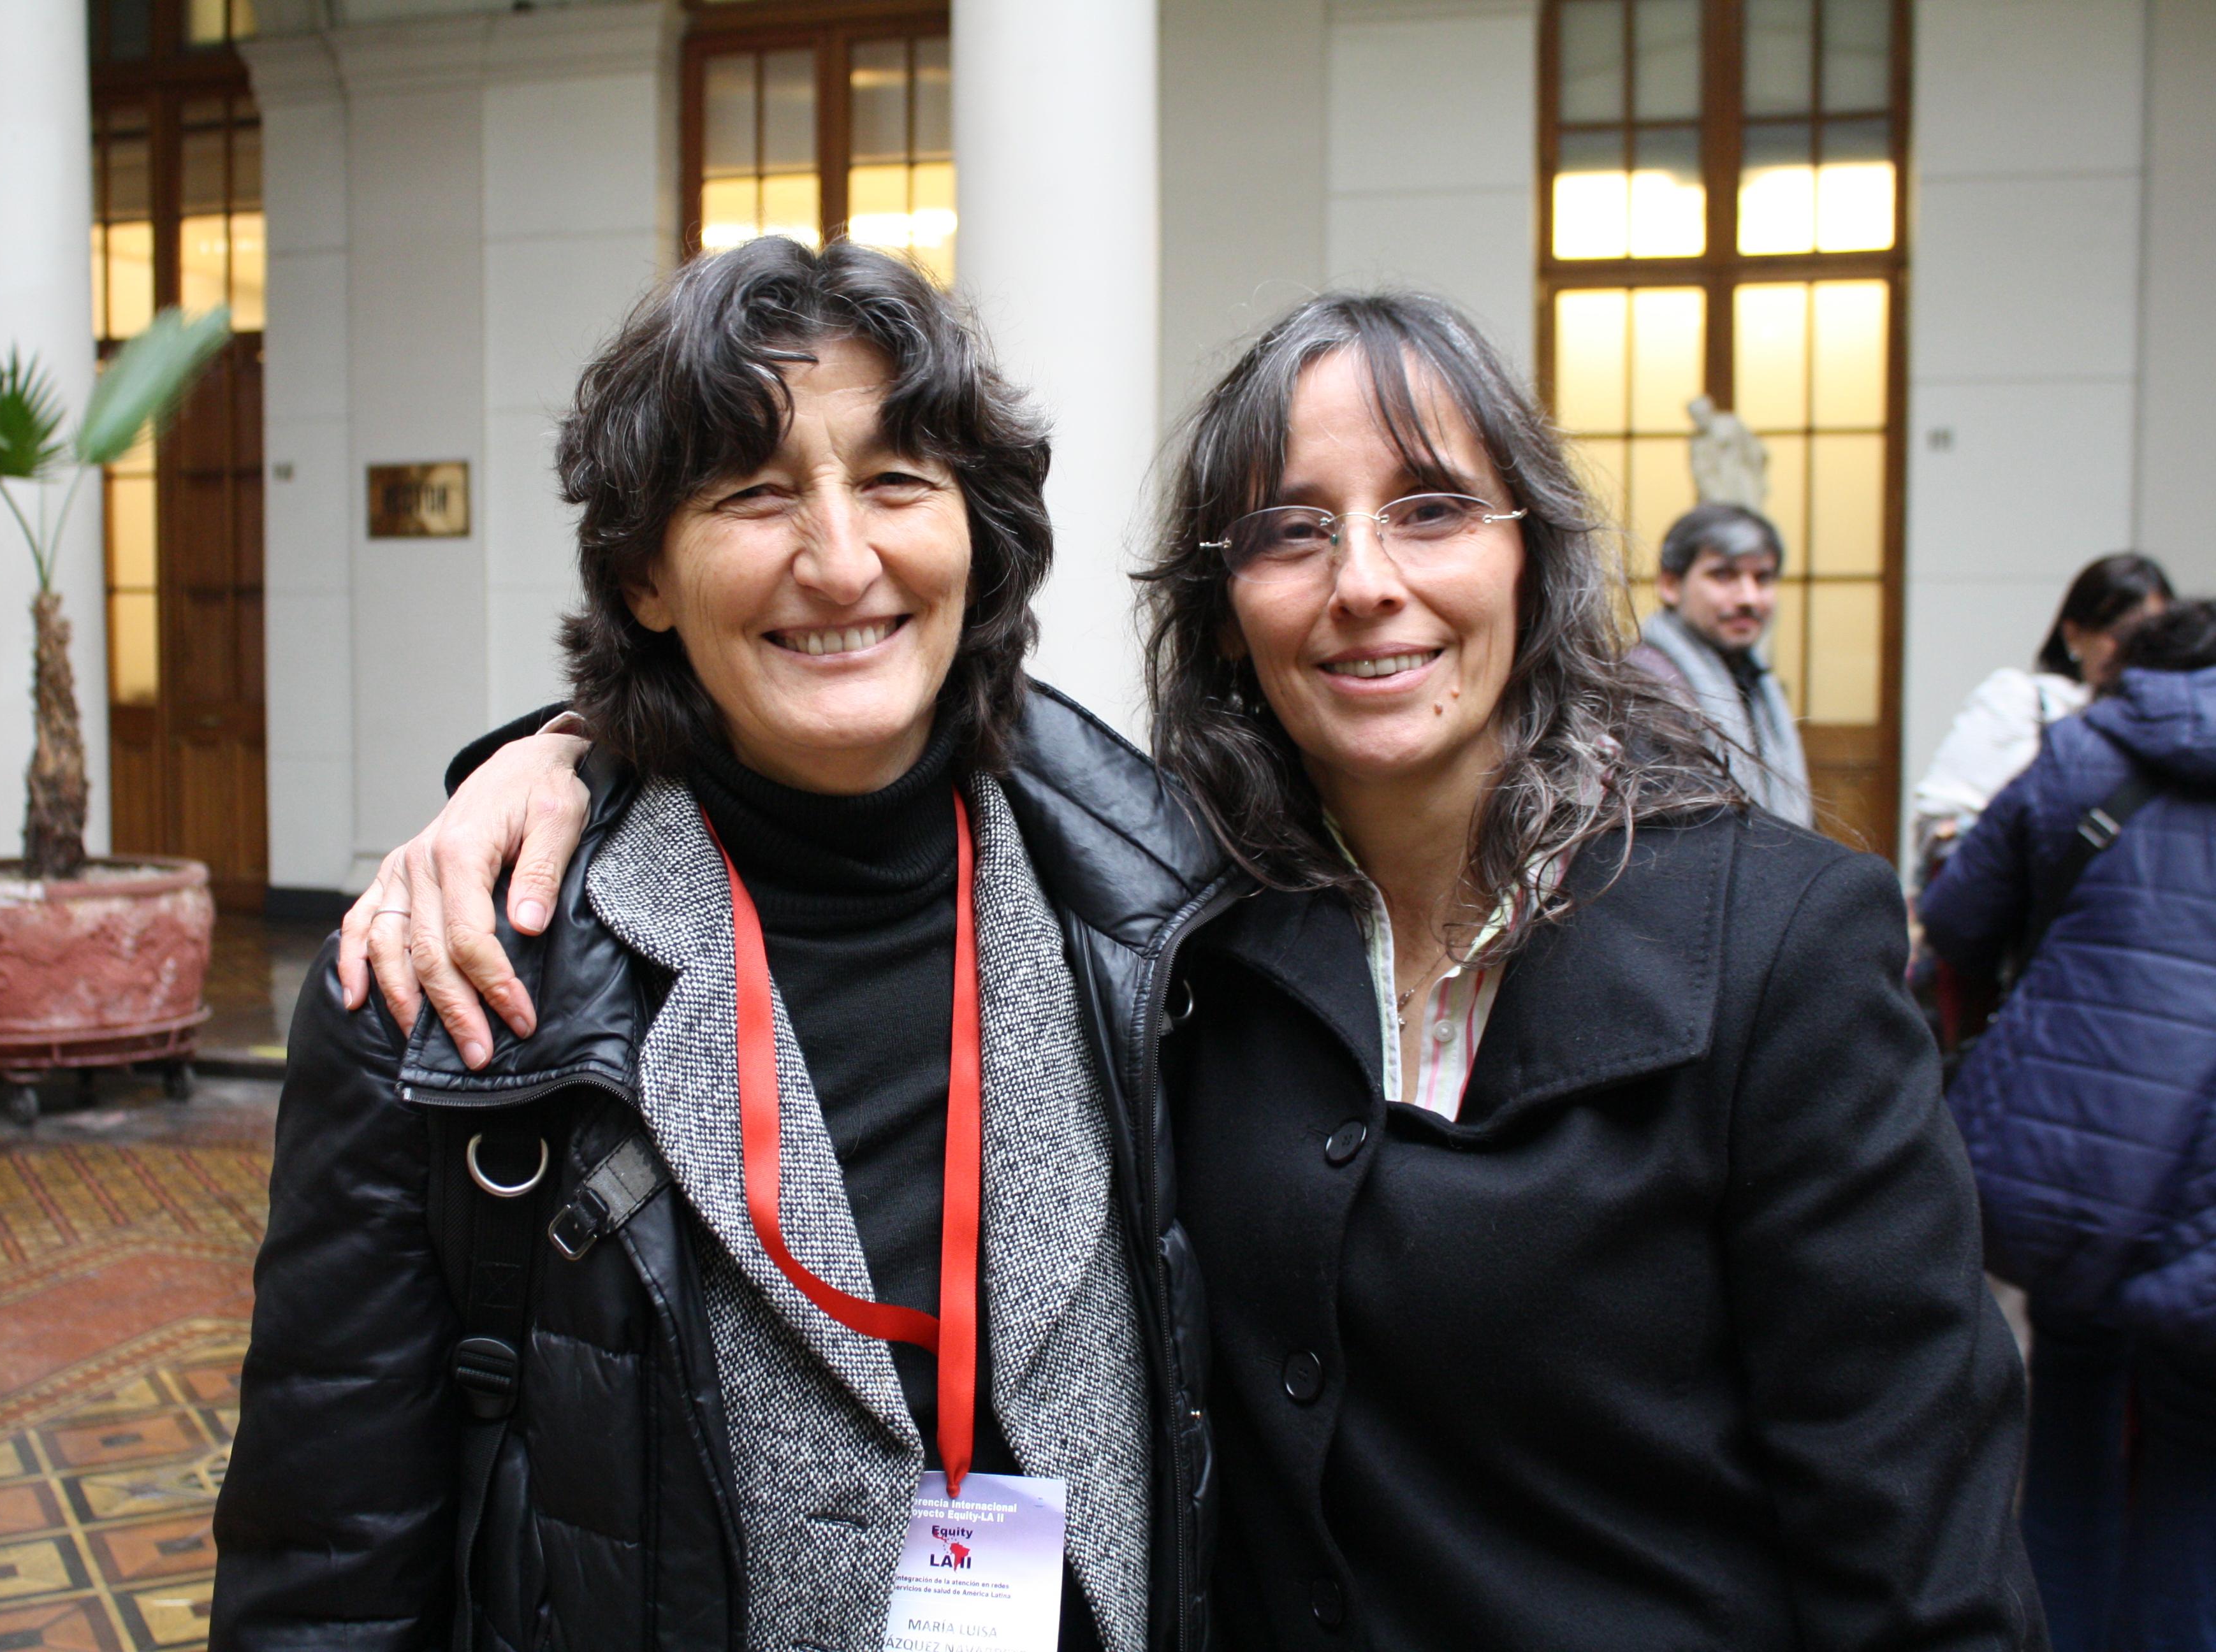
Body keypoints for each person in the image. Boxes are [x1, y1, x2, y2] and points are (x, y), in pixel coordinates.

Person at [356, 290, 2043, 1649]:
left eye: (1435, 512)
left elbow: (1921, 1555)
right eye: (1293, 531)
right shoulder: (1193, 924)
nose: (1367, 586)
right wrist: (564, 754)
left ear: (1534, 559)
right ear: (1226, 602)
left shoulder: (1781, 947)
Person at [211, 238, 1234, 1652]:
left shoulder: (1162, 915)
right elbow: (326, 1565)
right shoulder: (451, 995)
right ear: (644, 577)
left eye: (895, 483)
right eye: (754, 495)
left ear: (978, 537)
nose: (840, 558)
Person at [1919, 600, 2216, 1652]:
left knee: (2071, 1401)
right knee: (2193, 1456)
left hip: (2080, 1151)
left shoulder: (2083, 747)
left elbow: (1955, 919)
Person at [1909, 552, 2173, 873]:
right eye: (2117, 632)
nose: (2132, 648)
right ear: (2074, 633)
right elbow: (1938, 826)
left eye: (2150, 634)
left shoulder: (2178, 724)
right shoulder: (2021, 701)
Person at [1624, 502, 1814, 826]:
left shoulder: (1754, 677)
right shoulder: (1643, 684)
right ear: (1670, 586)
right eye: (1724, 575)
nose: (1748, 598)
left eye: (1763, 578)